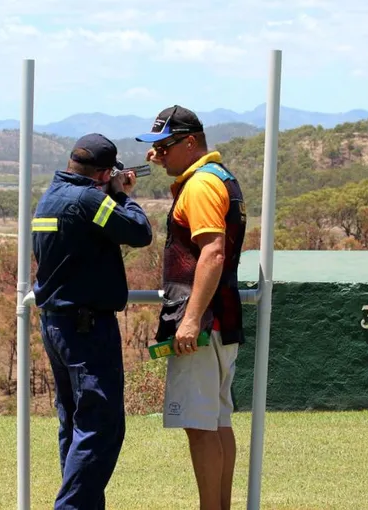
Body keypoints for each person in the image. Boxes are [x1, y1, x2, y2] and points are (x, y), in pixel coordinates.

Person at [31, 133, 153, 509]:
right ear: (103, 172)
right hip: (85, 329)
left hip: (57, 324)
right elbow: (139, 232)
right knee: (100, 427)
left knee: (76, 426)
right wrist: (120, 194)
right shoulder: (89, 198)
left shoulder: (50, 197)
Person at [135, 105, 247, 510]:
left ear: (188, 143)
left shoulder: (200, 186)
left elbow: (212, 254)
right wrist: (167, 163)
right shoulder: (219, 178)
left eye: (163, 148)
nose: (157, 156)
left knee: (199, 428)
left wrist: (191, 319)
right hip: (223, 317)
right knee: (217, 423)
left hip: (202, 322)